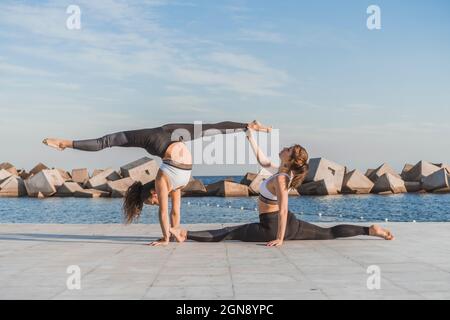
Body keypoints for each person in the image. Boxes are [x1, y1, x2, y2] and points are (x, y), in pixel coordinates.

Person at [43, 120, 272, 246]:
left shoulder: (163, 179)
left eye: (151, 200)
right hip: (170, 135)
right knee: (210, 129)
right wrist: (176, 232)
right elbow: (174, 214)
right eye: (155, 201)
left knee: (109, 140)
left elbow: (163, 212)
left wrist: (165, 238)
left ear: (152, 192)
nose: (156, 201)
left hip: (157, 139)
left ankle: (66, 143)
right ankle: (246, 126)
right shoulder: (174, 185)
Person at [170, 129, 394, 246]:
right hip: (289, 225)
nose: (283, 148)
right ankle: (370, 230)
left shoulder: (281, 179)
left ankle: (184, 234)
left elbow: (284, 208)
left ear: (290, 158)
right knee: (328, 233)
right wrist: (250, 138)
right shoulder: (280, 171)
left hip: (273, 226)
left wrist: (279, 238)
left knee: (231, 232)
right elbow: (262, 160)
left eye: (287, 149)